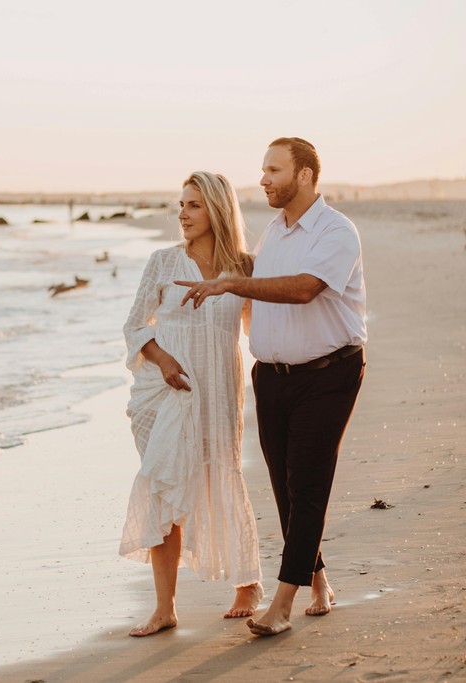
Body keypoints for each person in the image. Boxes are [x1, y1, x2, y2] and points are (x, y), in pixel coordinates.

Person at [175, 137, 367, 636]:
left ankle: (282, 605)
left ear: (304, 175)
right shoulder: (274, 232)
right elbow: (248, 271)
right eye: (262, 170)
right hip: (273, 377)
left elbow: (304, 289)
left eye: (274, 170)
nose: (263, 179)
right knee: (285, 485)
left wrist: (230, 284)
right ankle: (319, 580)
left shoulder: (336, 231)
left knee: (307, 485)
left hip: (328, 374)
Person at [119, 171, 263, 637]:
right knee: (163, 485)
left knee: (222, 470)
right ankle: (164, 608)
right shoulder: (162, 262)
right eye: (181, 204)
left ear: (218, 209)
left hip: (218, 386)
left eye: (194, 205)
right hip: (165, 391)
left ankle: (249, 583)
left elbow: (260, 328)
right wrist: (161, 361)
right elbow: (135, 326)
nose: (182, 213)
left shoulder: (244, 268)